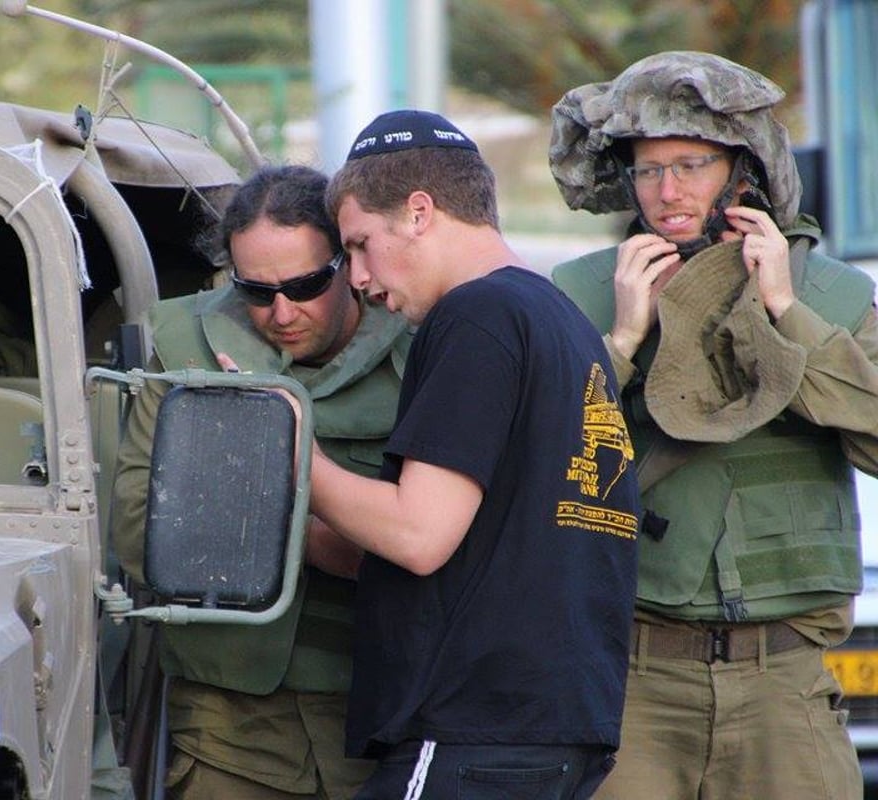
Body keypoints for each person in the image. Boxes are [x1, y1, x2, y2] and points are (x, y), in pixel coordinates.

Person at [548, 51, 873, 799]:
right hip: (636, 682)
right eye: (648, 169)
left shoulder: (835, 295)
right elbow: (551, 475)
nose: (668, 192)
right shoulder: (581, 295)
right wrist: (621, 345)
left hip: (784, 684)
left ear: (742, 169)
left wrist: (788, 315)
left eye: (691, 165)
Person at [295, 109, 640, 800]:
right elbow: (468, 547)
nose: (358, 278)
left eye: (361, 244)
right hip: (555, 731)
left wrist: (289, 445)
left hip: (470, 734)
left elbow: (418, 534)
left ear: (419, 212)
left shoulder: (475, 316)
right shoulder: (557, 318)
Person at [111, 164, 412, 799]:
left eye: (305, 285)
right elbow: (140, 529)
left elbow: (438, 543)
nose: (280, 313)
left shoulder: (424, 343)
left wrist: (243, 508)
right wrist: (328, 535)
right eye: (254, 290)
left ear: (350, 263)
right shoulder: (183, 345)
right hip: (227, 717)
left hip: (382, 708)